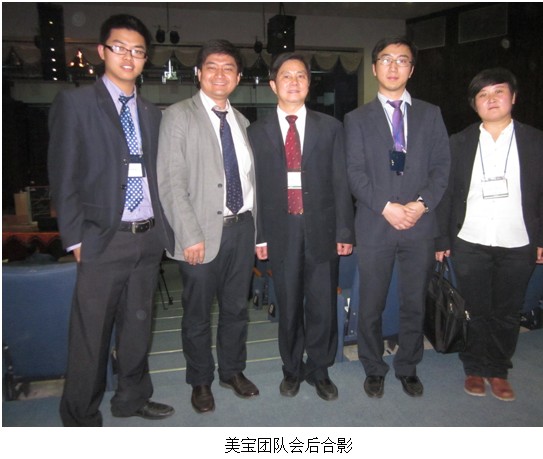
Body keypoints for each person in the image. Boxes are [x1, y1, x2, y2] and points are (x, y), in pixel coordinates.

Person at [47, 14, 175, 426]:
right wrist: (75, 238)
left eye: (138, 51)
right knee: (92, 334)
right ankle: (80, 415)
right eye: (120, 48)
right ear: (102, 51)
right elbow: (63, 175)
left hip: (146, 237)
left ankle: (132, 398)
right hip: (102, 239)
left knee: (138, 326)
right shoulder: (76, 104)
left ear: (145, 59)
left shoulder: (152, 113)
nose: (129, 57)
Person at [435, 68, 543, 401]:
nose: (491, 99)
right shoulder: (459, 142)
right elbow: (447, 194)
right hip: (470, 239)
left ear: (513, 98)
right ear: (474, 103)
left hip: (518, 240)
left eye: (498, 92)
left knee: (507, 310)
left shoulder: (535, 140)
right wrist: (441, 240)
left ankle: (498, 369)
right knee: (474, 309)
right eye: (483, 95)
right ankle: (474, 367)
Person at [344, 37, 450, 399]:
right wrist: (386, 206)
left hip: (420, 225)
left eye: (401, 60)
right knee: (370, 303)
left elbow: (442, 168)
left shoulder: (431, 114)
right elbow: (354, 173)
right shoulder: (356, 119)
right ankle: (373, 366)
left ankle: (408, 366)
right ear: (374, 68)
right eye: (386, 60)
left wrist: (421, 204)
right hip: (376, 224)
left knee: (413, 301)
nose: (393, 66)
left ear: (411, 69)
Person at [157, 39, 258, 414]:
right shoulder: (178, 116)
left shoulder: (242, 122)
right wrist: (189, 236)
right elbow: (171, 182)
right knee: (198, 314)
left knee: (236, 309)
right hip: (198, 234)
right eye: (211, 67)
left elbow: (250, 181)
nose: (220, 74)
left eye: (228, 68)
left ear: (238, 77)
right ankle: (200, 380)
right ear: (198, 73)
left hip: (242, 228)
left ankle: (232, 371)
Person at [247, 53, 355, 401]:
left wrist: (344, 230)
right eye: (286, 76)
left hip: (322, 229)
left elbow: (341, 182)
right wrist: (259, 235)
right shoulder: (256, 132)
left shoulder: (331, 127)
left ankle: (319, 369)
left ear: (309, 83)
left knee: (322, 304)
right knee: (289, 304)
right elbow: (255, 189)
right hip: (281, 231)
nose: (293, 82)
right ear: (273, 84)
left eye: (301, 76)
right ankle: (291, 368)